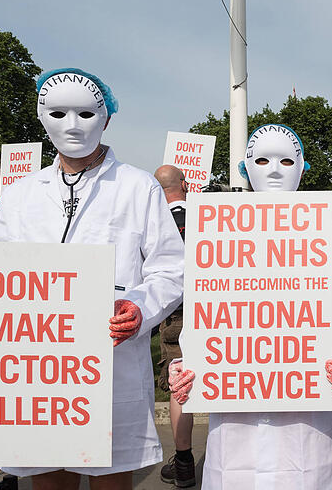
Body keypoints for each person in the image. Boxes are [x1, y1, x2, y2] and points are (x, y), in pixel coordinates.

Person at [0, 68, 185, 490]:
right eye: (59, 113)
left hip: (111, 363)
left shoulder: (139, 188)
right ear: (42, 118)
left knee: (111, 480)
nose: (72, 125)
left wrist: (139, 307)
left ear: (106, 118)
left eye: (85, 114)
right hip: (38, 375)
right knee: (48, 480)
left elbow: (170, 268)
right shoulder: (20, 194)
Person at [168, 123, 332, 490]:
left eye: (286, 160)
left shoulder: (331, 239)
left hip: (307, 421)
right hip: (236, 424)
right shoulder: (214, 235)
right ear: (245, 168)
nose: (274, 170)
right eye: (262, 159)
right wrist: (189, 363)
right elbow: (204, 315)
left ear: (303, 166)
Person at [152, 164, 195, 488]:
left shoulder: (154, 222)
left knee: (180, 387)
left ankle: (183, 461)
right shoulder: (205, 217)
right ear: (185, 184)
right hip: (212, 307)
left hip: (174, 312)